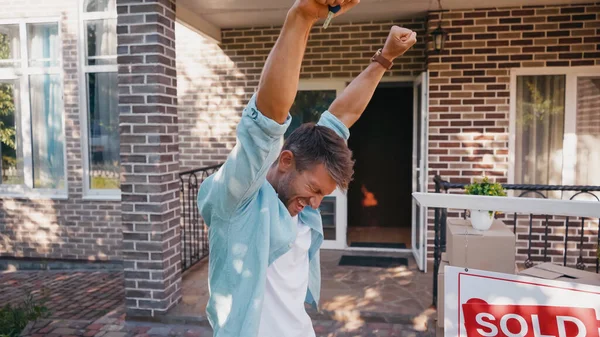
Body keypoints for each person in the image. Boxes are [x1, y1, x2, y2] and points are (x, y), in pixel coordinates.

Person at [197, 0, 417, 336]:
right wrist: (302, 17)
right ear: (286, 161)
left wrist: (384, 58)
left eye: (323, 196)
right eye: (314, 190)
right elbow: (266, 120)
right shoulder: (238, 202)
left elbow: (343, 115)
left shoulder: (299, 200)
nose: (315, 203)